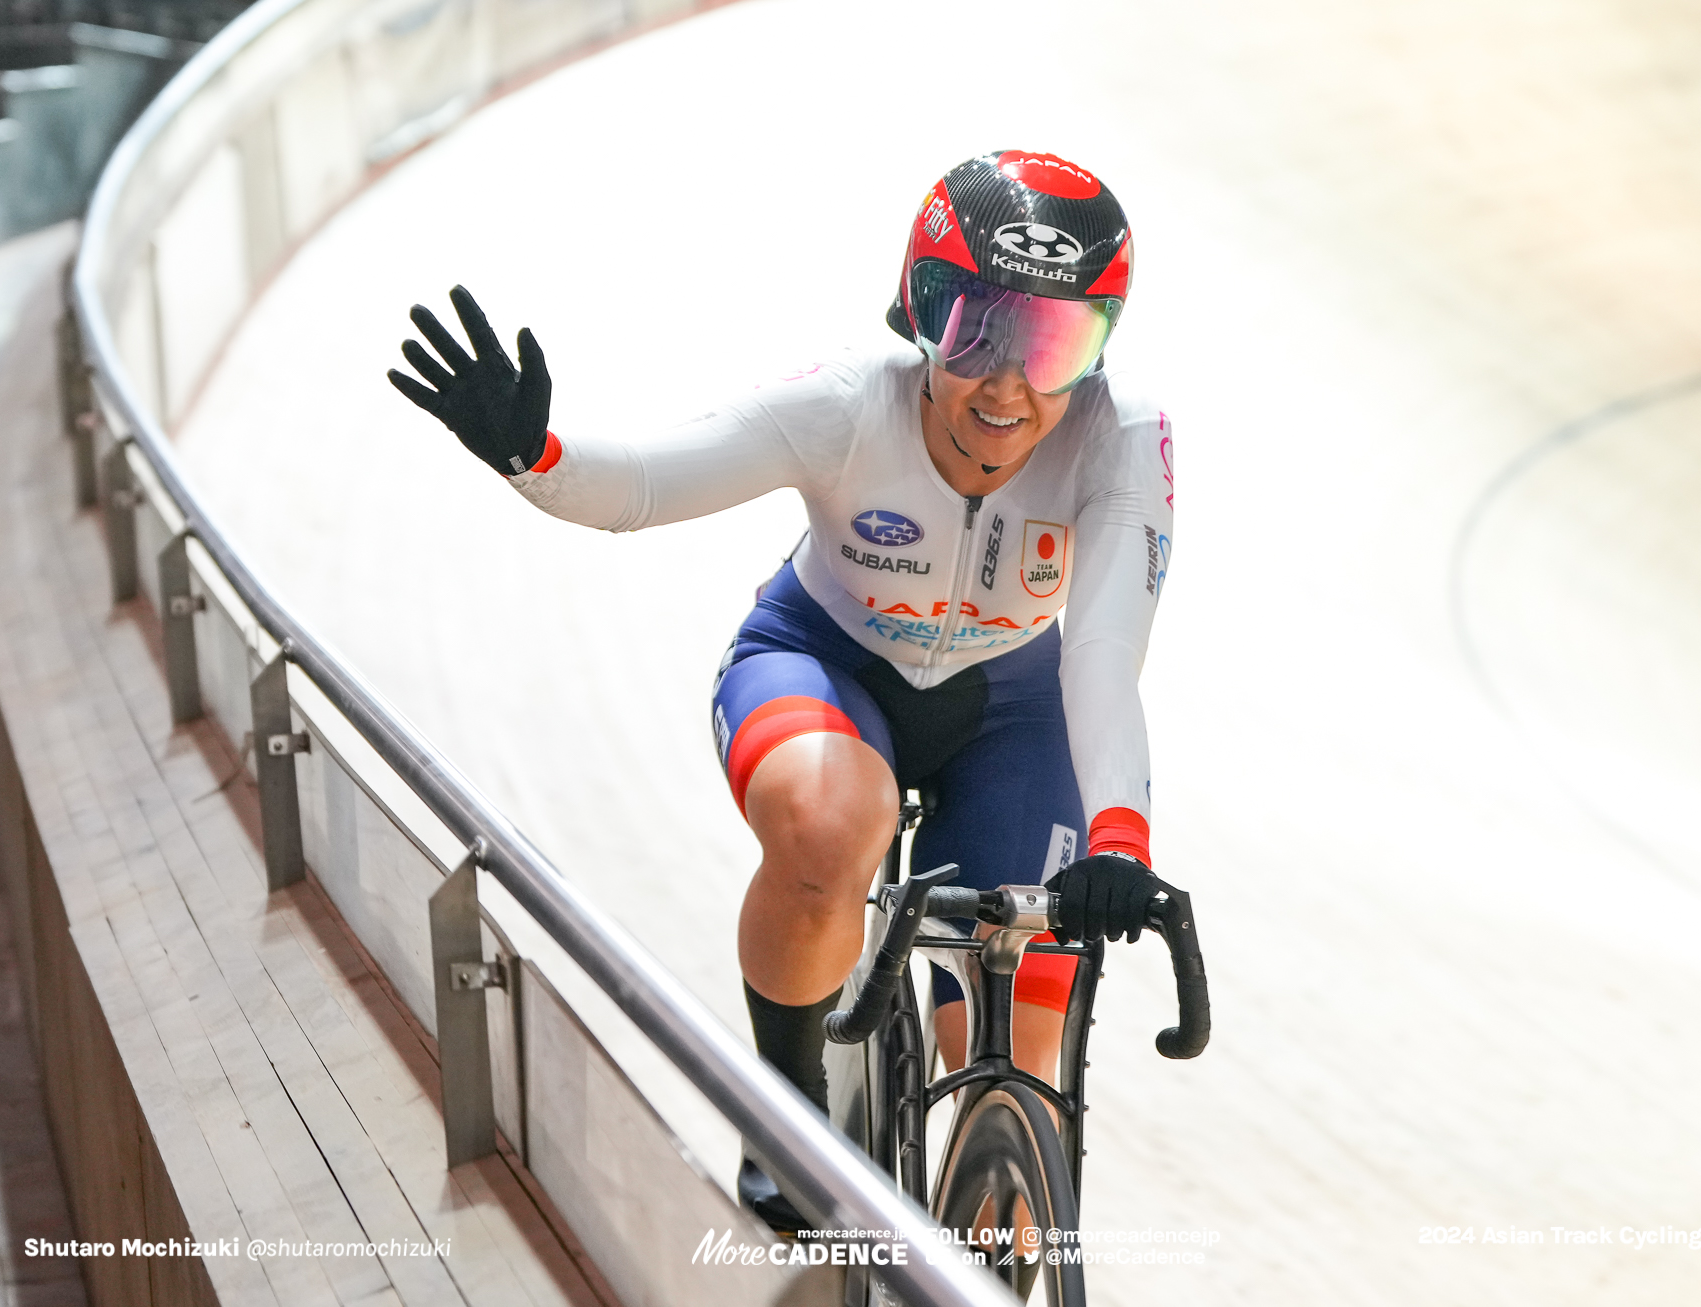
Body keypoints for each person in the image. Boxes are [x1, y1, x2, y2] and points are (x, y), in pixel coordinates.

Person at [388, 148, 1178, 1232]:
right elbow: (649, 481)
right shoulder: (851, 401)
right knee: (823, 833)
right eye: (979, 334)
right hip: (822, 656)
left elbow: (1100, 650)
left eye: (1054, 344)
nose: (1007, 385)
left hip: (1014, 704)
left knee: (1013, 1077)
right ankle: (787, 1106)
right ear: (920, 313)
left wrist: (1121, 843)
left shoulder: (1123, 435)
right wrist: (536, 451)